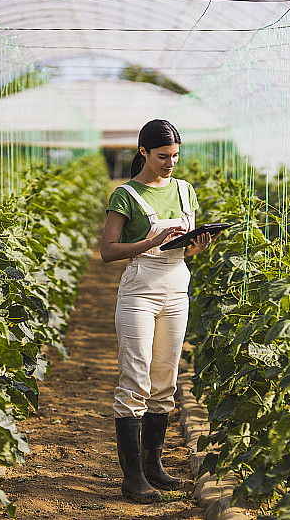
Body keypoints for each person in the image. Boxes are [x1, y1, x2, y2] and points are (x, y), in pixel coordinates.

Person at [100, 119, 221, 503]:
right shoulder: (126, 195)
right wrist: (148, 241)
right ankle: (132, 477)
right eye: (163, 156)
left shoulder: (186, 191)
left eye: (175, 157)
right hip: (139, 290)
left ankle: (154, 467)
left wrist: (196, 247)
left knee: (165, 381)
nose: (170, 163)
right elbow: (108, 251)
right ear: (144, 153)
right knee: (135, 379)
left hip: (176, 288)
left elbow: (184, 246)